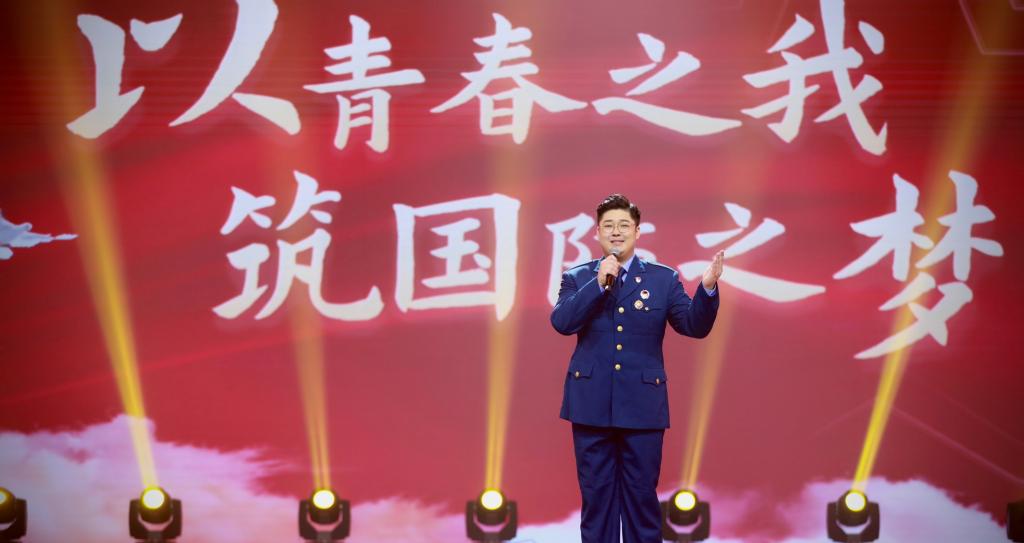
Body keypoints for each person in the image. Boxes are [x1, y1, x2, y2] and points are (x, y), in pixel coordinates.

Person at [551, 193, 723, 543]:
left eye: (624, 225)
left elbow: (693, 326)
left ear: (638, 232)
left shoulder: (663, 279)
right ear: (597, 232)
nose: (616, 232)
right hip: (590, 405)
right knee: (596, 501)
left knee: (641, 501)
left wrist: (707, 289)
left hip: (643, 407)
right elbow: (562, 322)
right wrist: (598, 284)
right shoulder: (578, 277)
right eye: (609, 226)